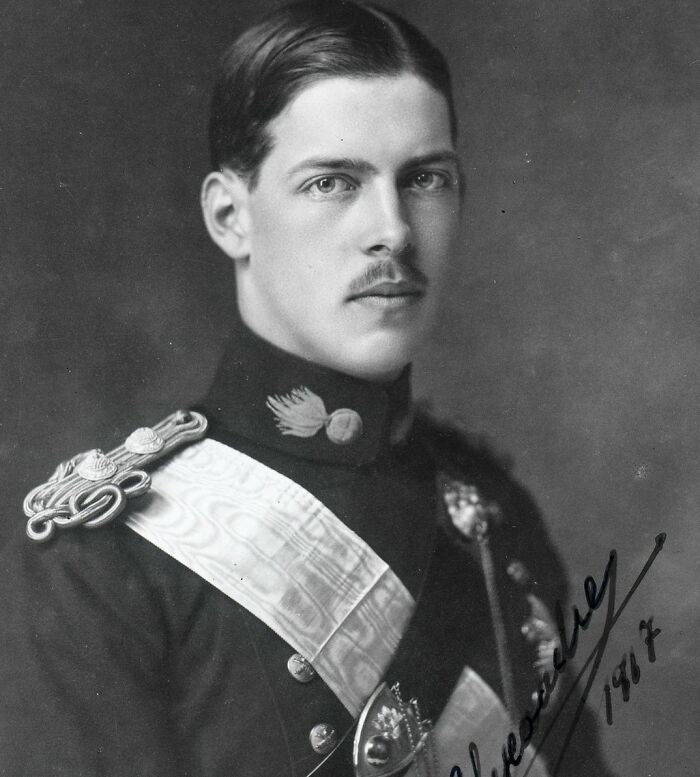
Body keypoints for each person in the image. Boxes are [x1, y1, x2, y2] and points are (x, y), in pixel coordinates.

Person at [2, 2, 615, 776]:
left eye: (425, 178)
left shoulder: (490, 511)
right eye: (333, 181)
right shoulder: (105, 560)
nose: (392, 229)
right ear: (231, 216)